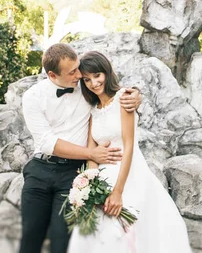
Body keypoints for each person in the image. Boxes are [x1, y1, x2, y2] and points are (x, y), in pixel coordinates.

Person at [19, 43, 141, 253]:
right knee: (30, 236)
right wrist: (91, 154)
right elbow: (47, 142)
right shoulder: (32, 97)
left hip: (72, 174)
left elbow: (111, 94)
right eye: (73, 71)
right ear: (52, 74)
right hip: (40, 170)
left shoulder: (87, 89)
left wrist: (136, 95)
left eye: (78, 68)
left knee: (64, 241)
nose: (79, 74)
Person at [67, 51, 191, 253]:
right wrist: (90, 187)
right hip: (103, 178)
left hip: (129, 172)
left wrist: (117, 192)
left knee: (130, 231)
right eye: (87, 80)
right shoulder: (93, 110)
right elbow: (92, 152)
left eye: (97, 75)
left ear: (106, 72)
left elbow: (129, 146)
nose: (93, 83)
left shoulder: (124, 99)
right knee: (95, 232)